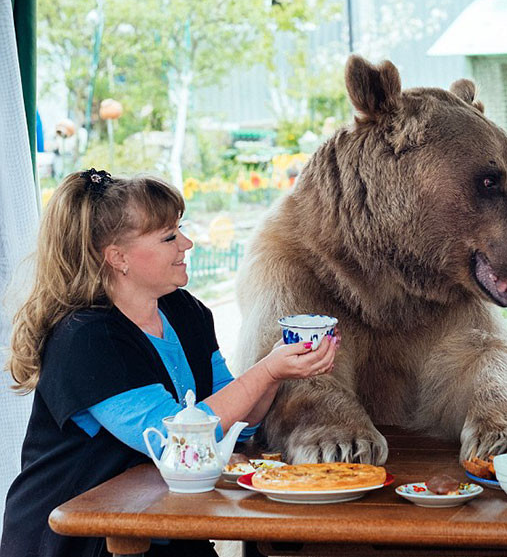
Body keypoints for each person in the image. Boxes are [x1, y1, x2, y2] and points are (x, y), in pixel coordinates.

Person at [1, 169, 338, 556]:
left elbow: (237, 425)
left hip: (158, 522)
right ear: (118, 257)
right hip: (80, 539)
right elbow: (178, 442)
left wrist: (280, 371)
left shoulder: (184, 310)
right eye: (169, 237)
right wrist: (268, 369)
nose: (187, 243)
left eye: (181, 229)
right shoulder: (87, 339)